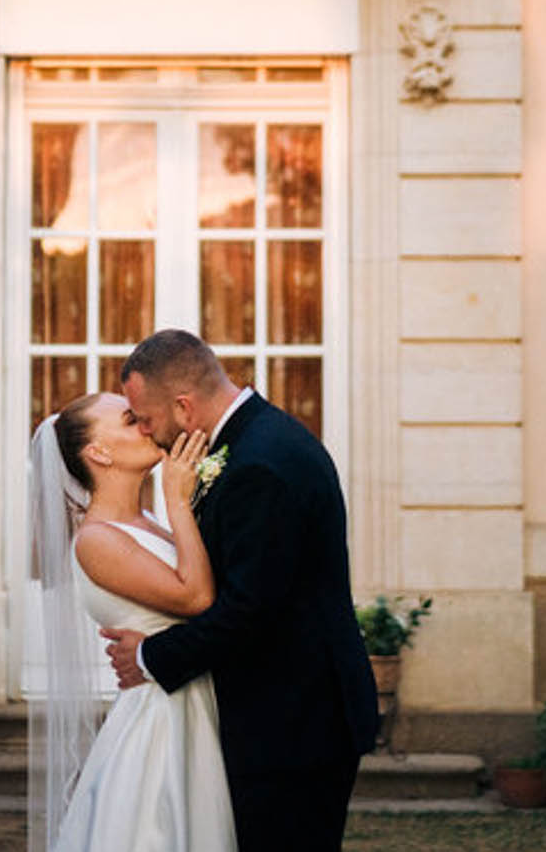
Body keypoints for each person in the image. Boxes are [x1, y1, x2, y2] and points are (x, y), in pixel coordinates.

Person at [105, 329, 378, 852]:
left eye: (145, 418)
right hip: (283, 716)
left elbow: (251, 611)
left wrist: (151, 655)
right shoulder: (251, 441)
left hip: (295, 724)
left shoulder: (259, 465)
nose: (143, 431)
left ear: (184, 407)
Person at [28, 391, 235, 852]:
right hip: (160, 724)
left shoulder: (146, 522)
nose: (146, 424)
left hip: (195, 704)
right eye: (129, 420)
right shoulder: (96, 540)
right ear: (98, 453)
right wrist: (178, 500)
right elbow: (197, 597)